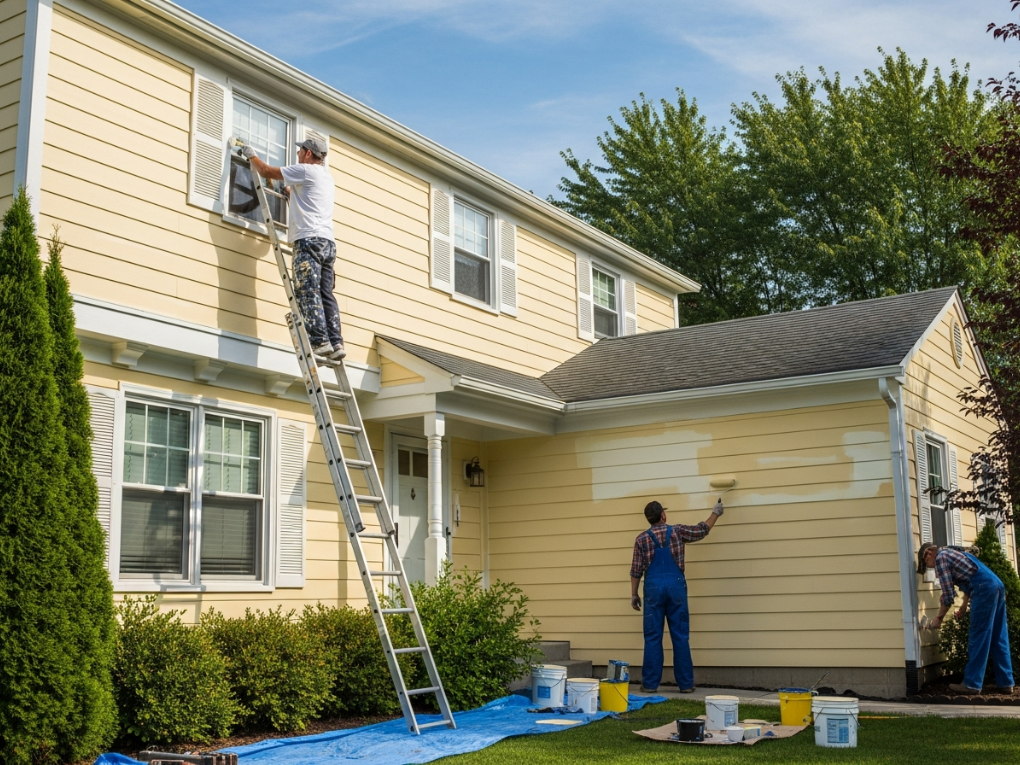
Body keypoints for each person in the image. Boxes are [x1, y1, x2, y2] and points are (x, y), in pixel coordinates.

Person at [242, 137, 345, 361]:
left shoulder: (306, 170)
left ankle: (320, 341)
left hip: (308, 240)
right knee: (326, 293)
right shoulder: (326, 178)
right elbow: (309, 202)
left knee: (308, 290)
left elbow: (266, 171)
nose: (298, 154)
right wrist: (291, 195)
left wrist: (251, 155)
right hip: (327, 242)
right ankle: (336, 342)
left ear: (308, 154)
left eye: (300, 151)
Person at [630, 499, 723, 693]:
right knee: (680, 636)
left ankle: (649, 684)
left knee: (653, 637)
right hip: (676, 590)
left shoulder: (641, 540)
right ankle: (686, 685)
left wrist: (634, 595)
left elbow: (636, 571)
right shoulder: (678, 531)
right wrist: (716, 513)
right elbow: (702, 530)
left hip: (653, 591)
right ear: (663, 515)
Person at [918, 542, 1014, 695]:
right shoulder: (956, 553)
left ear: (928, 553)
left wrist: (939, 618)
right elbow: (971, 579)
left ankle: (972, 684)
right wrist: (963, 607)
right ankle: (1006, 683)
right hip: (997, 586)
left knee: (979, 636)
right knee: (998, 636)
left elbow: (948, 596)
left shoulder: (941, 559)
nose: (933, 569)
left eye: (928, 565)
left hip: (984, 589)